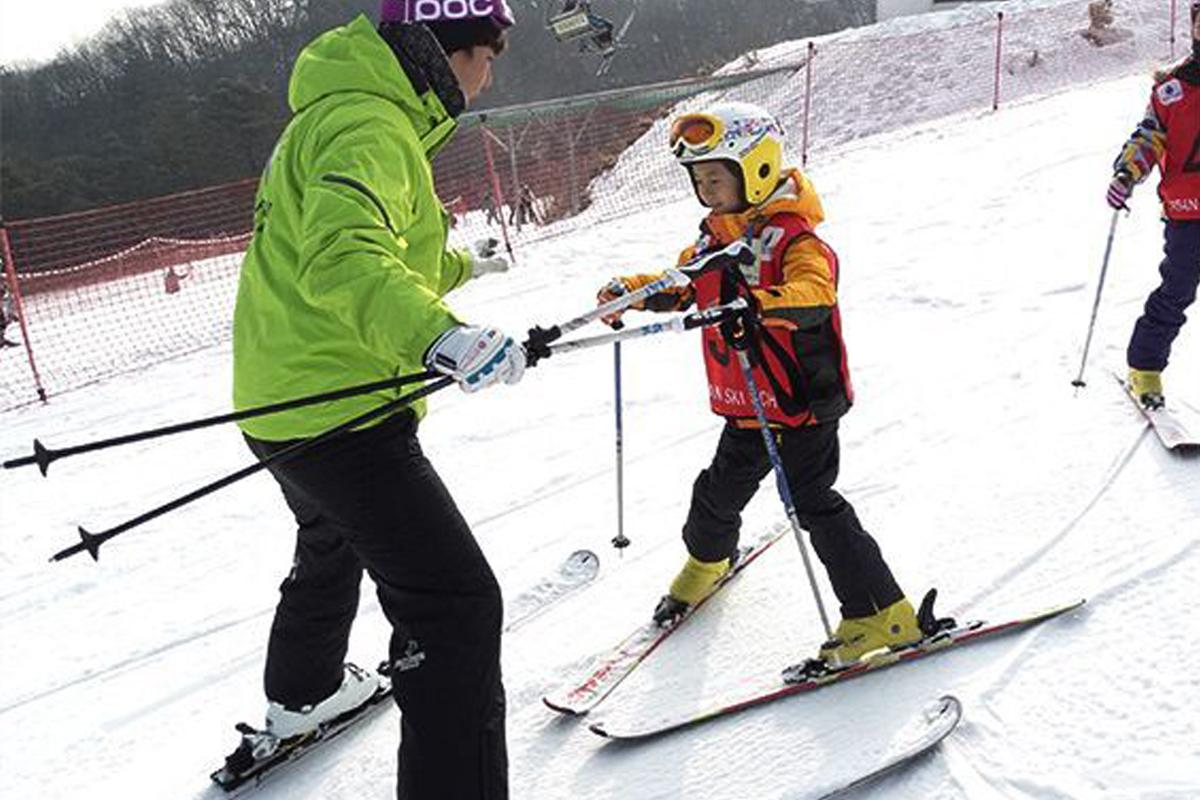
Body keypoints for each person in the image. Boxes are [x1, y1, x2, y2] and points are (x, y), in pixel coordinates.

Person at [230, 1, 519, 796]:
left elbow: (378, 247)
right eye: (485, 55)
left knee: (334, 538)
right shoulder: (373, 127)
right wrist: (440, 334)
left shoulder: (337, 111)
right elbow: (344, 259)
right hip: (342, 412)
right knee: (455, 607)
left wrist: (463, 270)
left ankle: (305, 693)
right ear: (442, 49)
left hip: (281, 400)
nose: (487, 76)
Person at [596, 102, 920, 666]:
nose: (707, 190)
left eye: (716, 178)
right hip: (748, 404)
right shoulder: (713, 239)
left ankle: (880, 612)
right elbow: (682, 286)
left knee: (813, 504)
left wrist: (757, 303)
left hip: (802, 402)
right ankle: (708, 562)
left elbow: (815, 293)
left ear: (759, 169)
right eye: (699, 180)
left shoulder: (796, 239)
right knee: (714, 496)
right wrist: (634, 291)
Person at [1107, 1, 1200, 409]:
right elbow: (1149, 138)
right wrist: (1126, 174)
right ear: (1195, 27)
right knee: (1177, 289)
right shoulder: (1171, 89)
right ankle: (1145, 368)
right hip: (1187, 211)